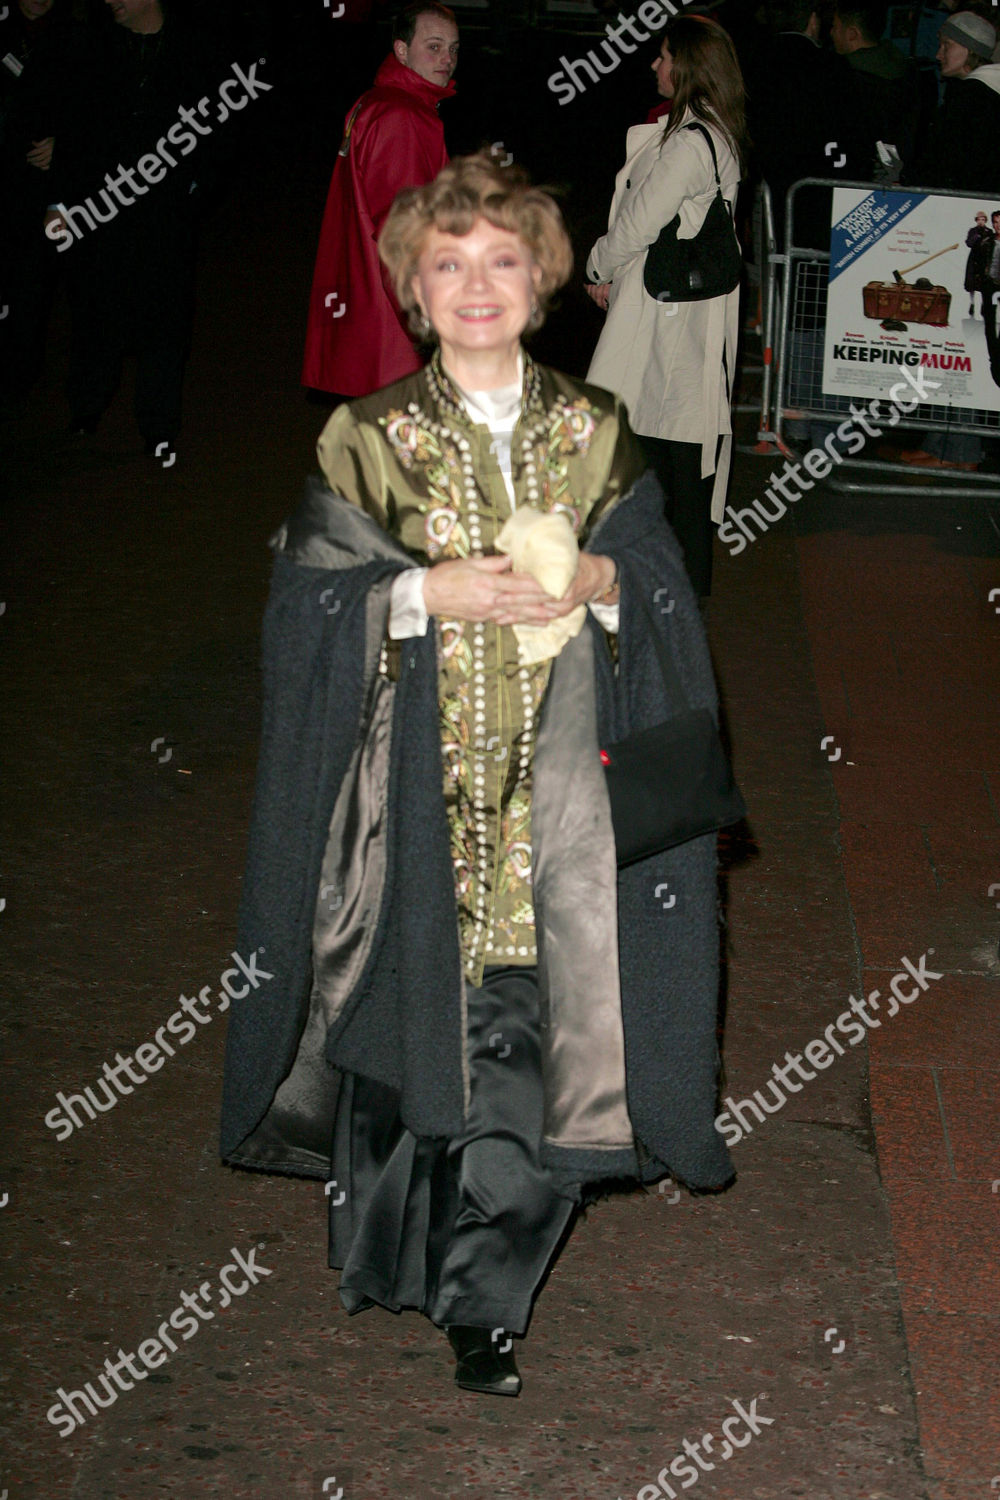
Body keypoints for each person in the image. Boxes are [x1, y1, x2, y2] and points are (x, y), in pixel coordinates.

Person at [220, 152, 734, 1398]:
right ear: (413, 287)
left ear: (543, 280)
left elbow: (661, 576)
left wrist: (609, 582)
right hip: (410, 813)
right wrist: (412, 592)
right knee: (414, 1053)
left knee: (540, 1049)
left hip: (563, 817)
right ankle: (405, 1252)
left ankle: (485, 1302)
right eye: (447, 264)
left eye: (502, 260)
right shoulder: (368, 437)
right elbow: (299, 612)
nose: (476, 284)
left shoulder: (592, 430)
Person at [584, 14, 749, 598]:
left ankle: (655, 580)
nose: (655, 65)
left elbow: (638, 222)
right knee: (668, 442)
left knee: (657, 440)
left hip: (667, 317)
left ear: (688, 65)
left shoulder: (689, 142)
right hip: (679, 313)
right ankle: (662, 579)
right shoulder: (709, 132)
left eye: (663, 56)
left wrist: (597, 265)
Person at [40, 0, 222, 457]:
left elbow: (218, 129)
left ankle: (159, 426)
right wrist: (60, 200)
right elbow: (73, 127)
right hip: (100, 208)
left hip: (165, 212)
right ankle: (86, 407)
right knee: (96, 309)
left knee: (165, 316)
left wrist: (192, 190)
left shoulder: (195, 48)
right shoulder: (91, 47)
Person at [301, 2, 459, 399]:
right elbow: (402, 233)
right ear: (402, 50)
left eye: (454, 49)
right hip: (392, 328)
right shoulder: (403, 117)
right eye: (435, 46)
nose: (448, 59)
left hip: (366, 310)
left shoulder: (373, 103)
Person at [905, 9, 1000, 191]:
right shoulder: (987, 93)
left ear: (969, 48)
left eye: (946, 45)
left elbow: (947, 162)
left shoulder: (970, 98)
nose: (938, 55)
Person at [830, 1, 921, 175]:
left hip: (857, 180)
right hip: (894, 178)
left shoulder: (845, 79)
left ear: (852, 34)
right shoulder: (905, 72)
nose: (831, 33)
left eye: (835, 27)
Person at [965, 209, 992, 315]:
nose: (981, 221)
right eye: (979, 219)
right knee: (971, 283)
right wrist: (976, 237)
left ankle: (982, 305)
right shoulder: (973, 231)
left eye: (983, 219)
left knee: (983, 284)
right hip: (973, 259)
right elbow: (969, 243)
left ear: (985, 221)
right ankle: (972, 304)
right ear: (976, 220)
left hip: (984, 260)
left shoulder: (989, 232)